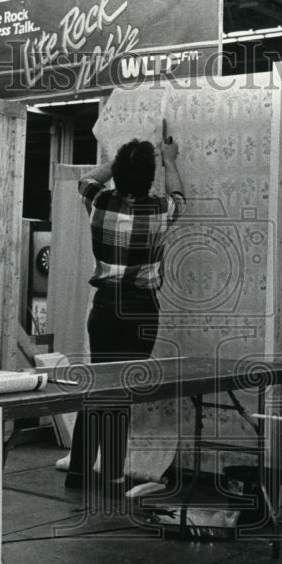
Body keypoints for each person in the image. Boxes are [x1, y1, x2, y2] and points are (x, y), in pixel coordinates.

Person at [65, 136, 186, 503]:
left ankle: (79, 470)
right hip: (140, 309)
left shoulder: (99, 201)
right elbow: (181, 197)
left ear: (117, 174)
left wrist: (119, 165)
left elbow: (87, 178)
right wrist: (168, 160)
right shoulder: (161, 210)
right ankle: (114, 475)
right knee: (120, 390)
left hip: (104, 307)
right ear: (150, 178)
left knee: (98, 386)